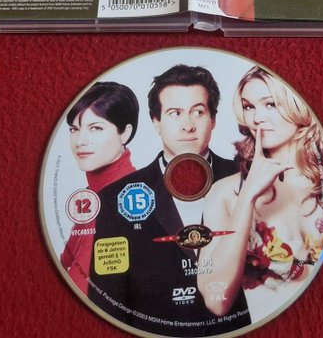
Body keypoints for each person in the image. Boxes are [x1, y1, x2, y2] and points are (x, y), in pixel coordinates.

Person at [89, 65, 251, 336]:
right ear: (156, 122)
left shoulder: (249, 179)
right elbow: (107, 298)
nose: (188, 125)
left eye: (198, 112)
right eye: (175, 113)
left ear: (213, 119)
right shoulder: (115, 197)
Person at [197, 66, 323, 317]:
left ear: (297, 105)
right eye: (249, 107)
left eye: (270, 104)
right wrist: (248, 196)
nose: (257, 118)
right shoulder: (225, 193)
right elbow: (216, 301)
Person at [59, 82, 138, 294]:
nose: (80, 141)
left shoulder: (125, 199)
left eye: (96, 128)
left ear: (125, 133)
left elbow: (83, 288)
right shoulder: (94, 194)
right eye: (74, 129)